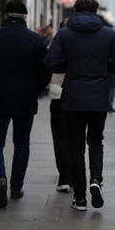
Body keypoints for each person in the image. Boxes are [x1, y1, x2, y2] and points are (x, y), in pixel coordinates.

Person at [44, 0, 115, 211]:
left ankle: (80, 198)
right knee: (96, 141)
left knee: (76, 146)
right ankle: (96, 180)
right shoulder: (109, 34)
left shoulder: (64, 34)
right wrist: (102, 65)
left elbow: (50, 63)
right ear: (96, 10)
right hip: (98, 96)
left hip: (72, 97)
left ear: (75, 11)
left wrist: (70, 64)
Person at [0, 0, 49, 209]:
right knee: (22, 143)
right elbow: (45, 70)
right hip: (25, 99)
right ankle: (16, 187)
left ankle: (0, 177)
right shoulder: (36, 40)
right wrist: (35, 90)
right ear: (25, 17)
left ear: (5, 15)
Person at [49, 20, 71, 193]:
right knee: (74, 138)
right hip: (77, 96)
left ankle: (65, 176)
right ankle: (69, 175)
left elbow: (47, 65)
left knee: (61, 138)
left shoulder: (56, 45)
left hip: (59, 95)